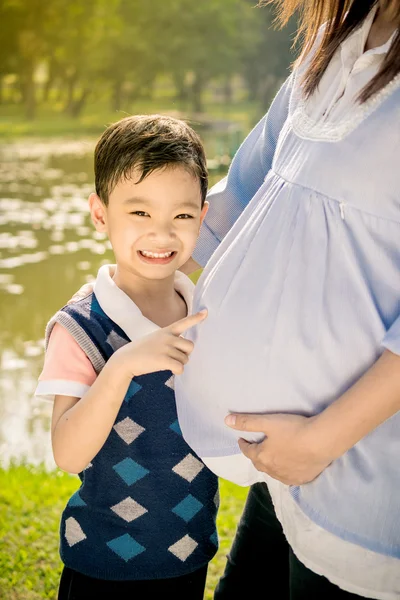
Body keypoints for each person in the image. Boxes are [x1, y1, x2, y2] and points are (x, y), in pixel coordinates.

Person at [172, 0, 400, 598]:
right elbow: (246, 195)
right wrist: (135, 281)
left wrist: (321, 440)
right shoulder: (333, 43)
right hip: (282, 471)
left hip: (360, 471)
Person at [34, 114, 219, 600]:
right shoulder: (82, 328)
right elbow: (67, 453)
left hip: (188, 552)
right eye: (139, 214)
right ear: (101, 215)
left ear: (201, 217)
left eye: (181, 216)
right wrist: (122, 365)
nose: (162, 235)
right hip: (104, 564)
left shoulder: (205, 311)